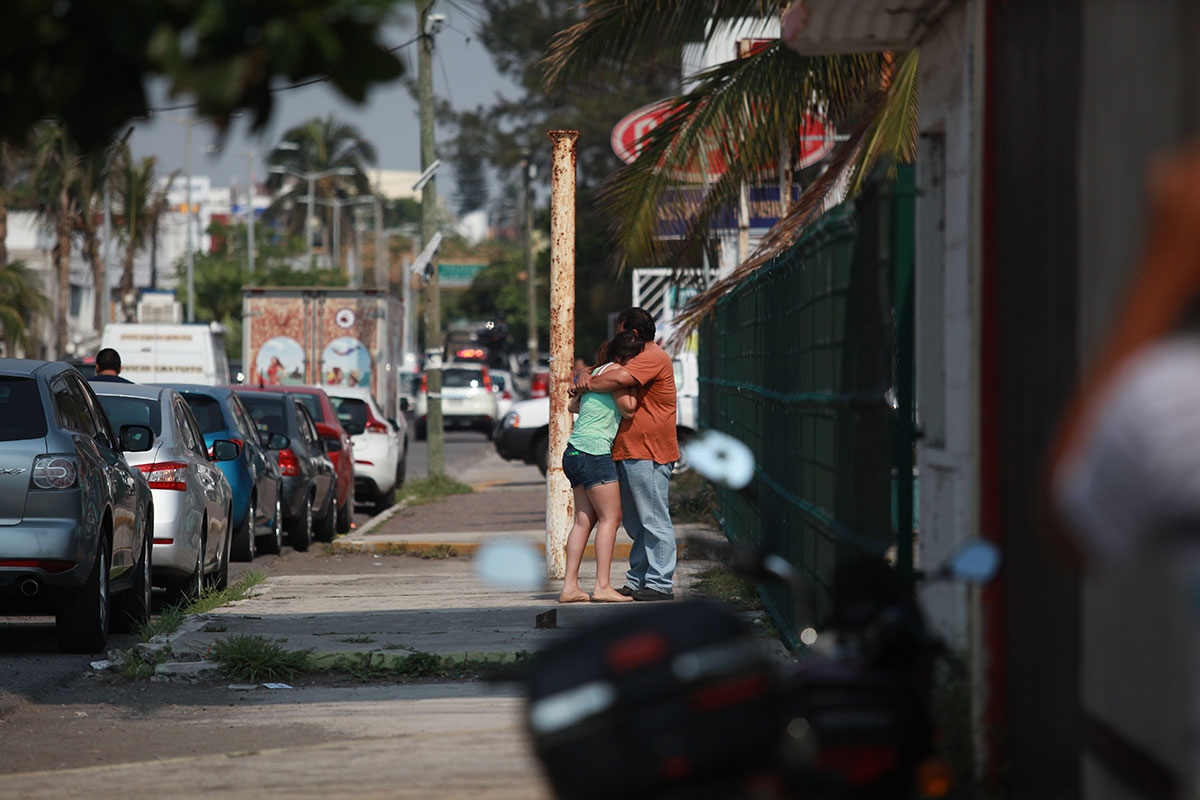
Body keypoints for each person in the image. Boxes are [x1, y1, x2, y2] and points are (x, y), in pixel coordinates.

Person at [571, 307, 679, 601]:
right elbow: (607, 372)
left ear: (631, 332)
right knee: (636, 523)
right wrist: (587, 373)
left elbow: (617, 380)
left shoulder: (651, 356)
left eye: (619, 331)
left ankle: (659, 583)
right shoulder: (633, 356)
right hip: (627, 451)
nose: (616, 337)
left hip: (648, 451)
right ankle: (638, 579)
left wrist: (586, 382)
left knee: (653, 520)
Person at [558, 331, 644, 603]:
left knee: (584, 520)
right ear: (623, 357)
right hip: (594, 452)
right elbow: (628, 409)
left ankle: (570, 587)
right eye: (634, 357)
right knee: (611, 518)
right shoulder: (617, 375)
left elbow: (573, 406)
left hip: (574, 451)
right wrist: (635, 387)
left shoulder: (596, 373)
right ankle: (603, 586)